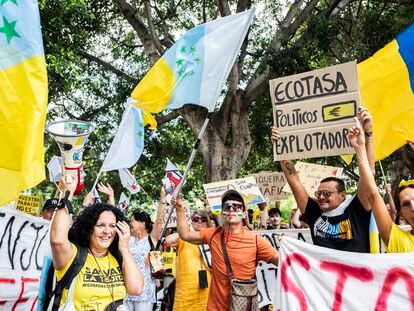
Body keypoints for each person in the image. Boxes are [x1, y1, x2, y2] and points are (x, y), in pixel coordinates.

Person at [271, 107, 375, 252]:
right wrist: (281, 149)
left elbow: (369, 173)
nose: (320, 197)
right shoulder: (315, 213)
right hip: (324, 275)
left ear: (342, 196)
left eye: (326, 193)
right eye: (318, 193)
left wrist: (368, 132)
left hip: (357, 274)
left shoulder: (357, 209)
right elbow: (295, 183)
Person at [50, 173, 143, 310]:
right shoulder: (74, 255)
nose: (107, 231)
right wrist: (67, 192)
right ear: (88, 228)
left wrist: (125, 249)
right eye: (100, 225)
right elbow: (57, 240)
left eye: (112, 226)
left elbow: (135, 289)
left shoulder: (119, 257)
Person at [173, 190, 279, 310]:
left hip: (243, 307)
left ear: (244, 214)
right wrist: (179, 208)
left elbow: (282, 261)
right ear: (222, 212)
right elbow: (185, 234)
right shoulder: (213, 235)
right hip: (215, 308)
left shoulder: (255, 240)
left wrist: (286, 245)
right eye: (227, 207)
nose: (231, 210)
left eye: (237, 207)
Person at [348, 119, 414, 252]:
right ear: (400, 213)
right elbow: (372, 194)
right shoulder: (398, 240)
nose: (413, 207)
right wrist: (361, 145)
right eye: (406, 204)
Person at [125, 187, 166, 311]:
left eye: (132, 221)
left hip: (145, 293)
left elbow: (159, 222)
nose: (130, 223)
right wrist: (111, 196)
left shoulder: (151, 239)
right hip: (127, 292)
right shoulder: (128, 239)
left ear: (142, 223)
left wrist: (162, 199)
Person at [165, 210, 212, 311]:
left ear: (207, 221)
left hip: (207, 289)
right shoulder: (183, 238)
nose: (199, 222)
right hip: (185, 290)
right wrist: (186, 232)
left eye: (202, 219)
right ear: (191, 221)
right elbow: (168, 241)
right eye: (195, 219)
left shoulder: (211, 237)